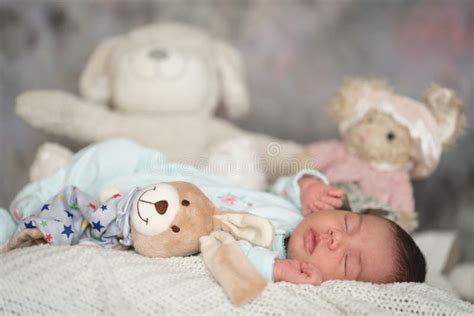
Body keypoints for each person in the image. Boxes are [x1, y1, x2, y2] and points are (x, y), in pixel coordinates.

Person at [1, 138, 426, 286]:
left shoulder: (276, 256)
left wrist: (277, 271)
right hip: (157, 174)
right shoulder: (295, 211)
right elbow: (281, 183)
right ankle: (34, 195)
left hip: (133, 217)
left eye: (348, 261)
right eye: (349, 223)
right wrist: (307, 183)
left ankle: (21, 221)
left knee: (70, 215)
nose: (335, 238)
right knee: (117, 151)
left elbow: (229, 257)